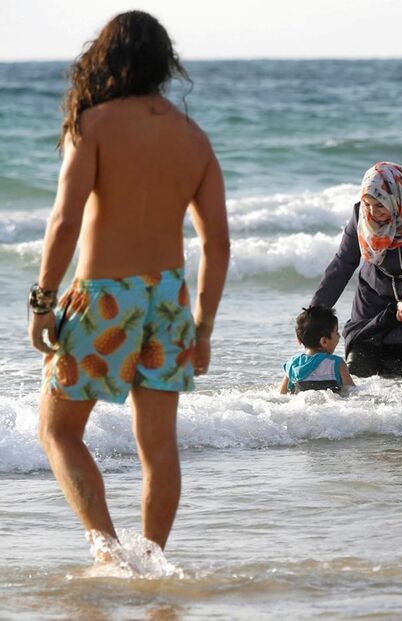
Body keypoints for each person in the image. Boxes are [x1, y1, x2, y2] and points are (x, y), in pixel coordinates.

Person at [26, 11, 230, 557]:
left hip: (104, 296)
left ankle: (106, 548)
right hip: (168, 299)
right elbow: (216, 245)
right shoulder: (194, 138)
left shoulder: (93, 124)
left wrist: (44, 302)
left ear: (105, 59)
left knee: (59, 430)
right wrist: (203, 328)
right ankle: (151, 562)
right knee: (158, 447)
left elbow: (65, 220)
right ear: (165, 64)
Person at [310, 162, 402, 383]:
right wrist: (314, 314)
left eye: (379, 206)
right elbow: (344, 262)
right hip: (374, 298)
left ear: (395, 199)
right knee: (359, 365)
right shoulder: (360, 214)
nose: (372, 212)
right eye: (367, 204)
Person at [279, 305, 355, 394]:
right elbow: (352, 391)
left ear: (298, 340)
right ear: (324, 341)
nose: (339, 336)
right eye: (336, 332)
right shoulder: (336, 363)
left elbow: (281, 394)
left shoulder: (293, 364)